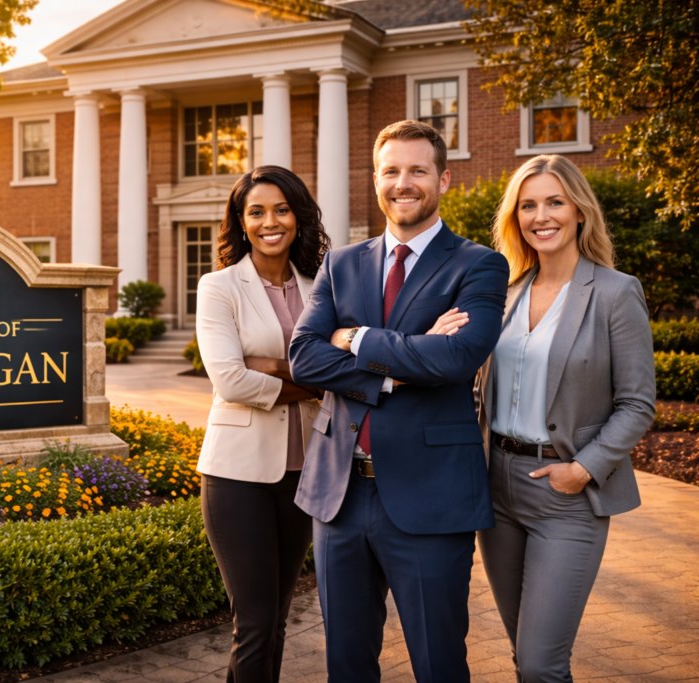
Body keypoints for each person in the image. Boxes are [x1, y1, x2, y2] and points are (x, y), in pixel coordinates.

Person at [288, 119, 509, 682]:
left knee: (437, 663)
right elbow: (304, 358)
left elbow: (456, 359)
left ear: (444, 179)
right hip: (338, 494)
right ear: (376, 178)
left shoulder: (478, 264)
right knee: (346, 662)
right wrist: (393, 374)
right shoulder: (340, 264)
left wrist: (356, 338)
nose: (402, 183)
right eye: (391, 170)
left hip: (430, 498)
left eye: (417, 170)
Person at [476, 155, 656, 682]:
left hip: (566, 494)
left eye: (554, 201)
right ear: (515, 217)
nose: (541, 215)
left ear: (579, 210)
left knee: (540, 664)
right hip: (496, 487)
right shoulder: (504, 293)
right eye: (528, 205)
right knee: (524, 653)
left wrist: (582, 469)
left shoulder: (615, 292)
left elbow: (638, 402)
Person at [195, 165, 331, 683]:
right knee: (253, 623)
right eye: (256, 211)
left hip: (306, 473)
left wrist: (270, 366)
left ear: (297, 216)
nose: (270, 221)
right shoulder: (219, 287)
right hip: (237, 477)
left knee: (276, 620)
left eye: (281, 209)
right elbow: (230, 381)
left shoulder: (322, 287)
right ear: (241, 221)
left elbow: (343, 373)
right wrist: (315, 380)